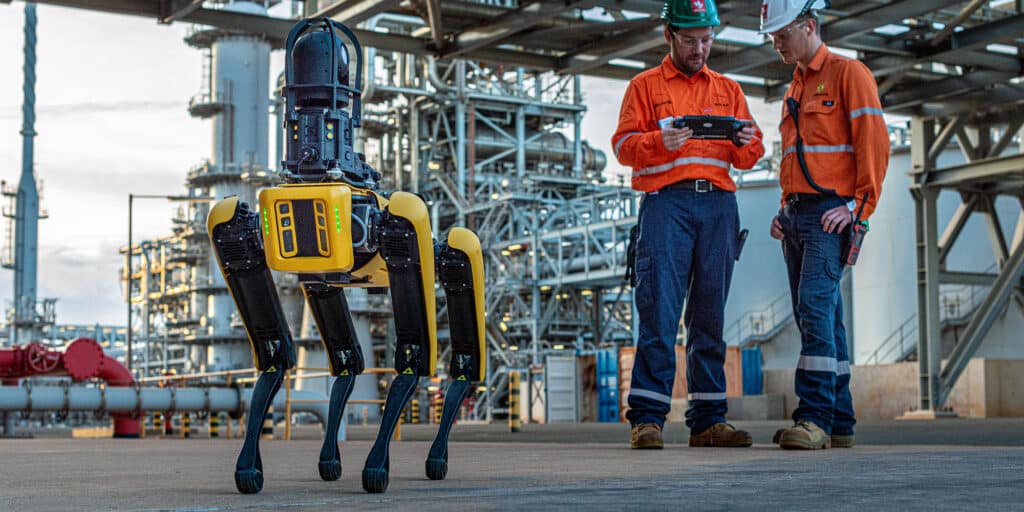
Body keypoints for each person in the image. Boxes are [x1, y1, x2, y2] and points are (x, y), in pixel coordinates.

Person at [613, 0, 765, 449]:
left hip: (719, 207)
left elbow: (751, 153)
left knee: (710, 315)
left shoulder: (728, 89)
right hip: (666, 207)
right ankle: (647, 420)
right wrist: (660, 142)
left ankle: (708, 422)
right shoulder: (644, 86)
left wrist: (746, 140)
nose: (701, 49)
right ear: (669, 35)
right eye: (692, 40)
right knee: (659, 311)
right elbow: (623, 146)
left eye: (708, 39)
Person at [760, 0, 889, 449]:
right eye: (772, 35)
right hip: (798, 216)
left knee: (815, 308)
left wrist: (858, 208)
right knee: (822, 317)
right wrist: (783, 207)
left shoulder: (849, 74)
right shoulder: (795, 86)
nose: (776, 42)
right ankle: (840, 422)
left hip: (830, 216)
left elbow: (874, 144)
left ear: (809, 26)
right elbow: (796, 155)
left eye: (782, 33)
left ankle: (813, 417)